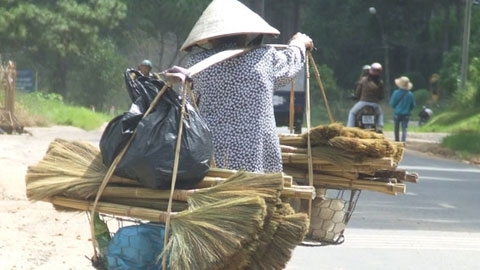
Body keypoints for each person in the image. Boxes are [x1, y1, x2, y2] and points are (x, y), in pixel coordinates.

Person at [179, 0, 313, 173]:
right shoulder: (264, 57)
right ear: (245, 34)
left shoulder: (196, 64)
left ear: (210, 39)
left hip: (210, 162)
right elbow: (290, 62)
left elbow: (186, 108)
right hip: (259, 162)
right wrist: (299, 43)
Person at [347, 62, 385, 132]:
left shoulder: (363, 80)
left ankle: (350, 129)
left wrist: (356, 96)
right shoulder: (380, 82)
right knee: (380, 114)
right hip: (375, 104)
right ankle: (380, 127)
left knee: (352, 113)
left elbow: (358, 92)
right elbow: (381, 96)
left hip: (363, 102)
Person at [389, 76, 416, 142]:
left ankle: (397, 141)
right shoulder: (410, 94)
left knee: (396, 128)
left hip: (397, 114)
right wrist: (408, 109)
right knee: (405, 128)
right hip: (406, 114)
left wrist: (396, 108)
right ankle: (403, 141)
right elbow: (413, 105)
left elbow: (392, 104)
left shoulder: (395, 93)